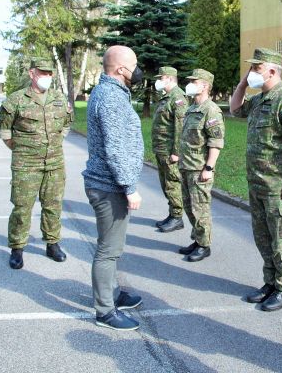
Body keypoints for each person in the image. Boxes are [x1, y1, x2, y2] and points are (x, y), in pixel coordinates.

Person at [230, 48, 282, 312]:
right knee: (263, 237)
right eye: (251, 68)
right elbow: (235, 109)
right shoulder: (259, 100)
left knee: (281, 238)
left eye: (256, 68)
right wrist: (243, 84)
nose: (252, 72)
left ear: (272, 71)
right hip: (258, 183)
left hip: (279, 185)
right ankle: (270, 282)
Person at [82, 45, 144, 331]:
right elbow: (116, 148)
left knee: (110, 246)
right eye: (134, 64)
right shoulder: (111, 98)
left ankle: (114, 293)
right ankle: (105, 311)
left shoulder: (110, 92)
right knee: (109, 250)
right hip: (109, 186)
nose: (138, 69)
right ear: (121, 69)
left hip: (107, 183)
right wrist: (130, 187)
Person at [0, 58, 72, 270]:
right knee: (22, 207)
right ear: (32, 74)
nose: (47, 77)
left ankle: (52, 244)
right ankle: (17, 248)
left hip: (54, 163)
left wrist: (54, 143)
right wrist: (22, 149)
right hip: (26, 164)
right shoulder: (16, 100)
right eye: (42, 73)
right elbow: (5, 130)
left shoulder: (59, 98)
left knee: (53, 205)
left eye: (49, 73)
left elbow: (66, 125)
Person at [177, 69, 224, 262]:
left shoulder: (211, 110)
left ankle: (204, 246)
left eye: (194, 81)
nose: (189, 84)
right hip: (186, 165)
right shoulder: (191, 108)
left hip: (199, 168)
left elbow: (216, 142)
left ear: (205, 85)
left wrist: (209, 168)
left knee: (200, 208)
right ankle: (197, 240)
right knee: (189, 207)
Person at [151, 66, 188, 233]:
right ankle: (172, 213)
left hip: (169, 151)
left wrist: (176, 152)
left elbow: (180, 127)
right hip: (161, 149)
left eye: (161, 78)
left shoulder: (178, 98)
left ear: (170, 79)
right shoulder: (166, 98)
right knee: (165, 183)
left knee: (172, 183)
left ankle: (177, 217)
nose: (158, 81)